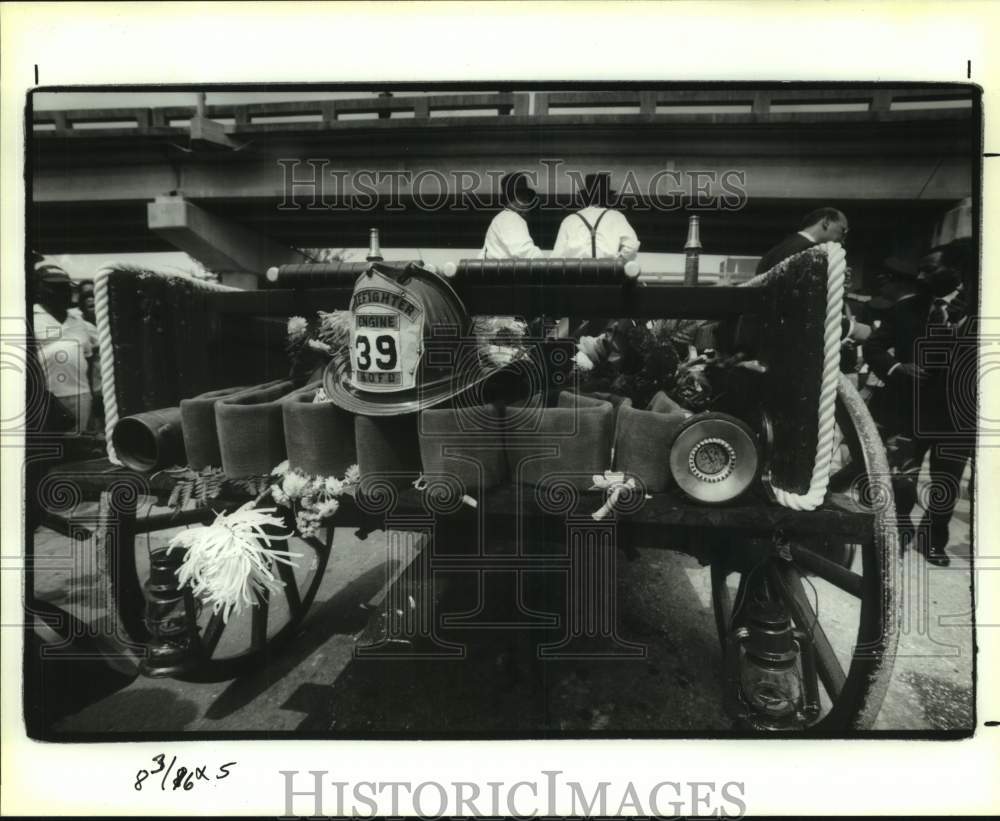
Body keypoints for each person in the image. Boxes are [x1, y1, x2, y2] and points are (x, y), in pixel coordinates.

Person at [864, 250, 966, 566]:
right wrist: (896, 368)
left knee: (947, 482)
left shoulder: (981, 307)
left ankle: (933, 541)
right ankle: (900, 531)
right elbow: (874, 346)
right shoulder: (906, 308)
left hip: (956, 416)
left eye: (929, 270)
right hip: (909, 412)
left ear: (953, 270)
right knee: (902, 479)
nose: (921, 277)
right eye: (920, 271)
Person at [551, 173, 640, 337]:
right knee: (604, 332)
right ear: (607, 198)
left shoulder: (570, 220)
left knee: (573, 333)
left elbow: (556, 259)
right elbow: (632, 246)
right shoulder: (616, 217)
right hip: (607, 283)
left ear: (585, 198)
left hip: (576, 285)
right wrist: (617, 263)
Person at [31, 259, 97, 430]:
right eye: (55, 287)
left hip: (81, 395)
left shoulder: (79, 323)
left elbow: (88, 360)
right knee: (54, 447)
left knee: (81, 443)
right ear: (39, 290)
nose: (63, 292)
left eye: (66, 287)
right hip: (47, 396)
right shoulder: (29, 318)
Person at [755, 207, 849, 275]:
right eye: (843, 230)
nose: (843, 241)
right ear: (826, 222)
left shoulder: (773, 252)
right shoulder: (811, 251)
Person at [478, 172, 545, 260]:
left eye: (527, 199)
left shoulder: (502, 217)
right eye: (522, 198)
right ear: (510, 200)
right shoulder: (510, 218)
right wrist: (547, 265)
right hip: (501, 273)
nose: (527, 204)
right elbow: (525, 252)